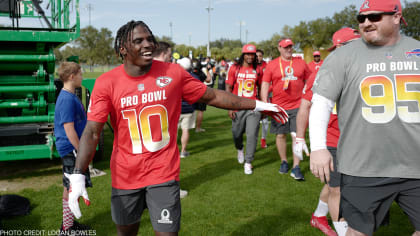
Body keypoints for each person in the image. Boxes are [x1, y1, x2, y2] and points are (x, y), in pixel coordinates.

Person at [67, 20, 288, 236]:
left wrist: (258, 104)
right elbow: (93, 131)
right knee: (126, 232)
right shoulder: (107, 82)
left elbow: (212, 96)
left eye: (149, 39)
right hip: (126, 174)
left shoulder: (173, 73)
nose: (147, 44)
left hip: (163, 173)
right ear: (123, 49)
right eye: (138, 40)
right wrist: (78, 174)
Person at [309, 0, 420, 235]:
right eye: (362, 19)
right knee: (358, 231)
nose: (367, 23)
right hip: (364, 167)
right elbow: (321, 102)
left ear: (397, 17)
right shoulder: (344, 56)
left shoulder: (417, 50)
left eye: (375, 17)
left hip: (415, 163)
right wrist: (318, 147)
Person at [294, 27, 360, 236]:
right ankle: (342, 231)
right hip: (333, 139)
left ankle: (318, 216)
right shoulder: (322, 72)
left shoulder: (366, 68)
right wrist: (300, 137)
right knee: (337, 189)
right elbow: (304, 106)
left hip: (358, 139)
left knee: (341, 184)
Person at [261, 38, 312, 181]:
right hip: (279, 107)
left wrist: (309, 97)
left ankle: (296, 167)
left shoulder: (300, 63)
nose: (288, 49)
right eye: (285, 47)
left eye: (290, 47)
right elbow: (265, 84)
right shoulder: (272, 65)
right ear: (279, 48)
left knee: (297, 136)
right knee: (281, 136)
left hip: (298, 106)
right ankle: (284, 161)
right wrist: (265, 102)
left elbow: (310, 80)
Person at [54, 62, 91, 235]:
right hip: (71, 148)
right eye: (80, 73)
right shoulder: (67, 99)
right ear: (71, 76)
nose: (82, 76)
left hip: (72, 148)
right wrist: (81, 151)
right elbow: (69, 130)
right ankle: (67, 229)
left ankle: (68, 226)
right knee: (71, 187)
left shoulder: (70, 95)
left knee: (68, 186)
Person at [226, 44, 263, 174]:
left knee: (252, 134)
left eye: (252, 54)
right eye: (247, 54)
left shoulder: (258, 69)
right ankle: (240, 148)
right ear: (243, 54)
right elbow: (228, 88)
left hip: (253, 106)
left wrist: (263, 106)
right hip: (237, 106)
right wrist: (229, 106)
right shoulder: (234, 68)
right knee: (236, 134)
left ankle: (248, 162)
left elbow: (262, 89)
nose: (250, 57)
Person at [256, 49, 269, 149]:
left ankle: (263, 139)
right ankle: (253, 140)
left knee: (265, 119)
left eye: (260, 56)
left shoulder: (267, 66)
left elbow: (271, 81)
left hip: (265, 96)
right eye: (257, 56)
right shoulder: (251, 66)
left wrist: (267, 92)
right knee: (254, 119)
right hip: (254, 97)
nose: (258, 58)